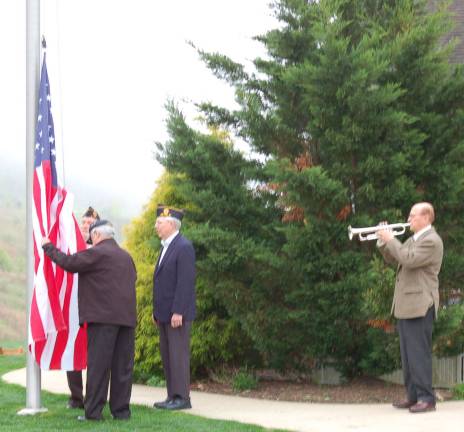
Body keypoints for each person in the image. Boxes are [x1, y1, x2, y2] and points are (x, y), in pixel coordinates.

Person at [42, 220, 137, 421]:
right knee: (122, 368)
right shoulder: (127, 257)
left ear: (96, 235)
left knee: (98, 367)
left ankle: (93, 413)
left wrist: (48, 247)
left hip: (103, 319)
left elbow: (69, 263)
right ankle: (121, 412)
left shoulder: (97, 252)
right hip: (127, 320)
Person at [377, 202, 443, 414]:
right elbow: (395, 258)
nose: (408, 218)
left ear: (426, 217)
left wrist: (391, 239)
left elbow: (409, 259)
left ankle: (427, 399)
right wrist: (382, 241)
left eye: (413, 215)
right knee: (407, 356)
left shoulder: (431, 240)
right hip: (407, 304)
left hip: (421, 304)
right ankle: (413, 396)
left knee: (418, 354)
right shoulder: (414, 239)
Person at [152, 205, 196, 410]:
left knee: (178, 355)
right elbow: (161, 282)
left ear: (171, 223)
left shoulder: (183, 246)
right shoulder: (166, 246)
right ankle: (172, 395)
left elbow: (185, 282)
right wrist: (156, 312)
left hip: (177, 314)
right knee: (168, 355)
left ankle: (182, 398)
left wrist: (178, 310)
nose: (156, 226)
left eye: (159, 222)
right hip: (164, 314)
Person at [66, 206, 100, 410]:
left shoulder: (101, 248)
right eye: (83, 223)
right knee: (73, 351)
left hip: (94, 307)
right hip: (73, 307)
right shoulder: (72, 247)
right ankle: (76, 396)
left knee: (95, 355)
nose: (86, 226)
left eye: (90, 224)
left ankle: (93, 396)